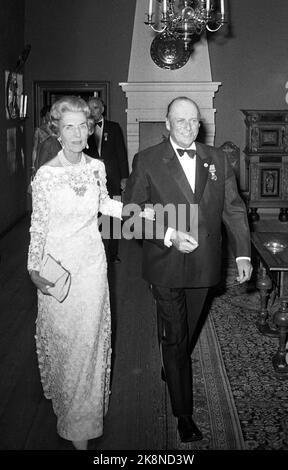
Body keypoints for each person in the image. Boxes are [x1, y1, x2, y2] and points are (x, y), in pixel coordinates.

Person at [122, 97, 253, 443]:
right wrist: (167, 234)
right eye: (180, 121)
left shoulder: (218, 160)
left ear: (201, 123)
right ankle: (184, 414)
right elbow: (130, 217)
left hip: (205, 263)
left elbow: (234, 209)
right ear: (167, 124)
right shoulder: (147, 160)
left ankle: (172, 356)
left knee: (186, 332)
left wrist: (242, 255)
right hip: (165, 262)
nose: (188, 127)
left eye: (193, 120)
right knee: (177, 337)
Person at [27, 96, 124, 451]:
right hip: (57, 267)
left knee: (89, 341)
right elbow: (38, 227)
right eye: (69, 126)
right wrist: (33, 269)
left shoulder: (97, 167)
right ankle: (69, 405)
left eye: (83, 125)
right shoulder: (46, 175)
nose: (77, 133)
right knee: (67, 343)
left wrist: (143, 212)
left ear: (91, 127)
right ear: (56, 130)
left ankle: (80, 425)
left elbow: (106, 204)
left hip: (92, 265)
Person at [86, 96, 129, 263]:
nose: (92, 112)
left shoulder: (114, 127)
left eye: (95, 108)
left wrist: (124, 177)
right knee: (93, 214)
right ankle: (94, 252)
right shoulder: (84, 129)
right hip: (91, 179)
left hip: (112, 178)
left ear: (102, 109)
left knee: (114, 216)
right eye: (89, 109)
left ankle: (113, 254)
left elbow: (121, 154)